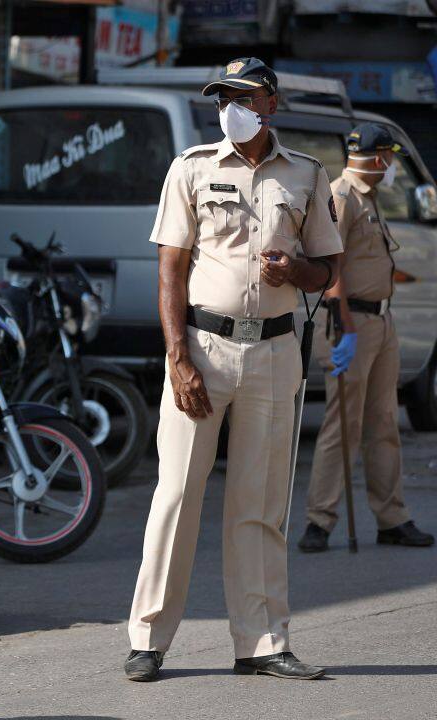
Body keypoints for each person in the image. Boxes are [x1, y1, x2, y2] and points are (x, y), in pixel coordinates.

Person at [124, 58, 343, 683]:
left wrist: (293, 272)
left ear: (270, 104)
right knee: (176, 497)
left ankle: (262, 643)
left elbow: (326, 271)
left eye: (243, 96)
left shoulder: (306, 173)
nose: (232, 106)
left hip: (275, 353)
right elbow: (170, 269)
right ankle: (147, 640)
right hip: (203, 350)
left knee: (261, 504)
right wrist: (178, 358)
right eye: (224, 96)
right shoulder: (191, 167)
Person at [298, 123, 435, 553]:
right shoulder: (342, 196)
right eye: (390, 157)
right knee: (344, 426)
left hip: (381, 322)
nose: (392, 165)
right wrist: (344, 323)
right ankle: (319, 522)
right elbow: (328, 264)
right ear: (378, 159)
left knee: (383, 424)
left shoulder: (368, 197)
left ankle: (391, 517)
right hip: (350, 322)